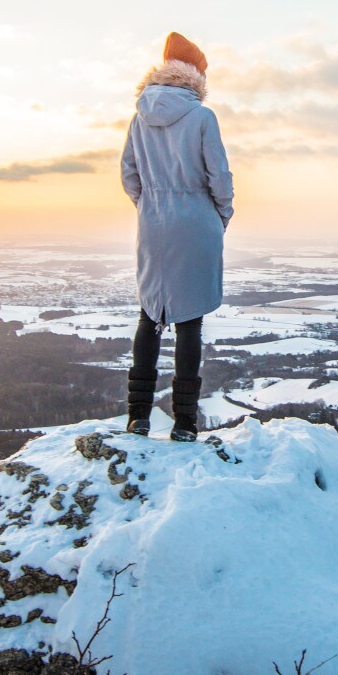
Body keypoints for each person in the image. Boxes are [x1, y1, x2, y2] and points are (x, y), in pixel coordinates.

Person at [120, 31, 234, 441]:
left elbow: (129, 176)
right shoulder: (203, 117)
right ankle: (185, 423)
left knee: (150, 315)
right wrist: (221, 213)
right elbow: (218, 175)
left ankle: (138, 417)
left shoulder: (139, 118)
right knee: (189, 321)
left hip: (153, 223)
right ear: (196, 76)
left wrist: (152, 206)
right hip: (196, 220)